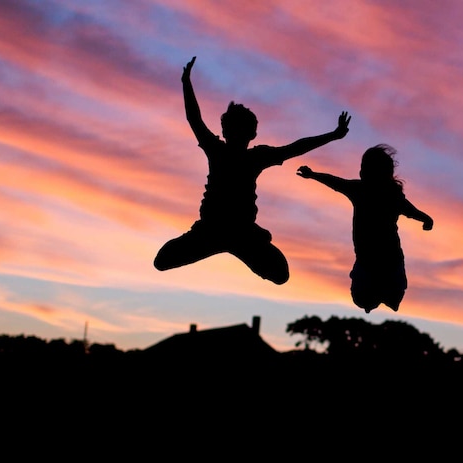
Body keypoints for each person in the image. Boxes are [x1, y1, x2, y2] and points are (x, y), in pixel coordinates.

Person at [154, 57, 351, 284]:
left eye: (242, 130)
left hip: (242, 233)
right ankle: (224, 245)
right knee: (161, 262)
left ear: (251, 134)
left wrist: (333, 135)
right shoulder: (217, 149)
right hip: (210, 230)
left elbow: (296, 147)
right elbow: (194, 119)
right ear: (226, 131)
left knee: (281, 276)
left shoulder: (256, 156)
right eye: (233, 129)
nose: (236, 134)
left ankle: (241, 244)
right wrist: (186, 83)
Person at [296, 144, 433, 313]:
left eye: (366, 168)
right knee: (365, 299)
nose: (361, 172)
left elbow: (411, 210)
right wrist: (313, 175)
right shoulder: (362, 189)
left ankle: (385, 296)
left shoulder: (384, 194)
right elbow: (335, 182)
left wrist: (425, 218)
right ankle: (378, 298)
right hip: (370, 260)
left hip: (386, 259)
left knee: (386, 295)